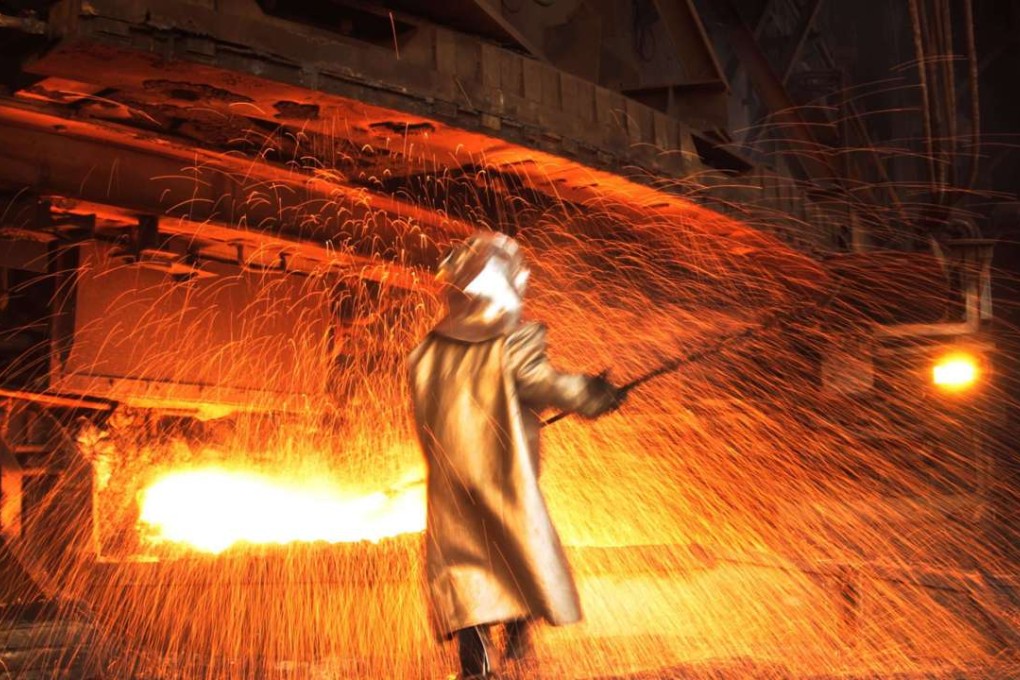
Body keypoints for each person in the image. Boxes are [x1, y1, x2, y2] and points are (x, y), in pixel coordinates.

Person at [408, 232, 624, 679]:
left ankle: (477, 670)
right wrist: (593, 393)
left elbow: (437, 415)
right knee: (518, 565)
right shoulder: (511, 342)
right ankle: (519, 661)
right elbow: (544, 384)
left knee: (468, 578)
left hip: (452, 487)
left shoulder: (425, 353)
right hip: (503, 481)